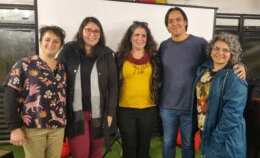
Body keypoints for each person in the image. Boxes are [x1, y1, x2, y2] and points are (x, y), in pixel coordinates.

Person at [158, 7, 246, 158]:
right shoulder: (164, 46)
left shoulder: (199, 43)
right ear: (167, 25)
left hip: (190, 108)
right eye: (170, 21)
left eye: (178, 19)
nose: (175, 23)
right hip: (168, 107)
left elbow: (223, 56)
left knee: (188, 143)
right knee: (167, 142)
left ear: (185, 22)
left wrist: (242, 66)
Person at [57, 17, 118, 158]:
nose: (92, 34)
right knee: (81, 154)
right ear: (81, 31)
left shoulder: (107, 54)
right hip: (76, 114)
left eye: (97, 31)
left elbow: (113, 86)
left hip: (100, 114)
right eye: (88, 30)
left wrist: (110, 114)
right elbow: (57, 77)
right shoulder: (69, 50)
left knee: (96, 152)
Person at [3, 26, 67, 158]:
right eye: (47, 40)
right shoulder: (25, 64)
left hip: (58, 127)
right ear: (40, 41)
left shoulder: (62, 68)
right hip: (33, 127)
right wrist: (14, 128)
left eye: (56, 41)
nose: (51, 44)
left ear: (61, 45)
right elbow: (10, 96)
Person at [194, 32, 247, 158]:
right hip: (206, 131)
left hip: (225, 140)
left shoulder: (235, 77)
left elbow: (232, 115)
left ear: (232, 53)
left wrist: (215, 140)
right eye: (216, 48)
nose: (220, 53)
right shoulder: (204, 71)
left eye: (225, 50)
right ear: (211, 50)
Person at [115, 21, 161, 158]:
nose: (140, 38)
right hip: (125, 110)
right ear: (130, 37)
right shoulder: (119, 57)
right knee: (129, 147)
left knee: (144, 147)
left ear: (147, 39)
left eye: (143, 35)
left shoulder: (154, 57)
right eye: (136, 35)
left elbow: (160, 80)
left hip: (148, 109)